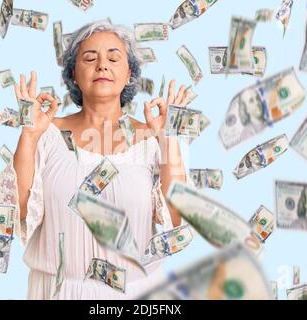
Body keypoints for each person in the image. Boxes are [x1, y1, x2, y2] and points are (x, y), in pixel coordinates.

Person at [13, 20, 190, 299]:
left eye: (113, 57)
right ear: (73, 71)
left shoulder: (151, 137)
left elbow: (175, 218)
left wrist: (169, 140)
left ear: (129, 71)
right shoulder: (46, 133)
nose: (102, 65)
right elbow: (20, 213)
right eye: (90, 58)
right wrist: (29, 135)